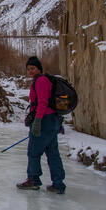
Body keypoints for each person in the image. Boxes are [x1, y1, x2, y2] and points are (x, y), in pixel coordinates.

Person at [17, 56, 66, 194]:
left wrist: (37, 121)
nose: (30, 71)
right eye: (28, 69)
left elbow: (43, 102)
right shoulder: (43, 80)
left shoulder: (41, 81)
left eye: (32, 68)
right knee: (53, 153)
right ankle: (58, 183)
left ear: (39, 68)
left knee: (33, 151)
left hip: (44, 119)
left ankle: (33, 179)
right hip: (51, 120)